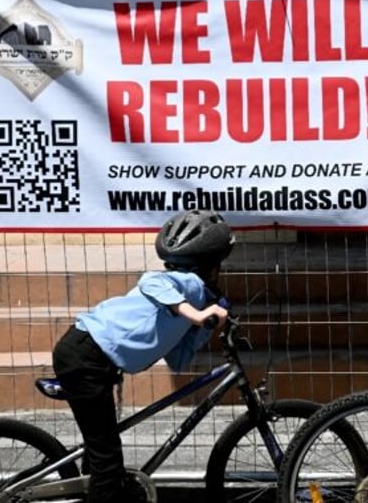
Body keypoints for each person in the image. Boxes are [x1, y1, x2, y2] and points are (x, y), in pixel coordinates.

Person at [52, 209, 235, 503]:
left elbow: (178, 359)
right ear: (212, 265)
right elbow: (152, 282)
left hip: (88, 354)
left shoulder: (195, 297)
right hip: (86, 356)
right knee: (107, 464)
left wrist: (204, 326)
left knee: (100, 452)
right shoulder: (185, 283)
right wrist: (199, 315)